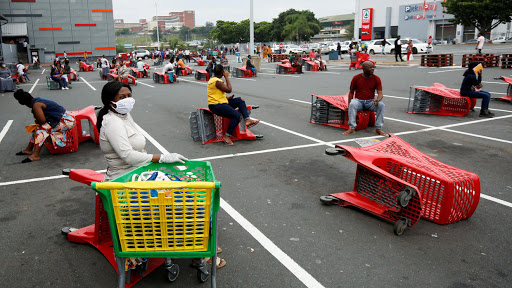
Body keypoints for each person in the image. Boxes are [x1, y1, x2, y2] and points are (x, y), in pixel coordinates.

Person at [13, 89, 76, 163]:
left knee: (41, 130)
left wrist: (38, 122)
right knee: (37, 128)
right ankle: (28, 149)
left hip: (66, 121)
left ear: (25, 103)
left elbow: (42, 120)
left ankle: (35, 155)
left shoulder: (36, 105)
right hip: (61, 118)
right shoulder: (36, 100)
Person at [207, 65, 259, 145]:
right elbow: (229, 90)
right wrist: (227, 77)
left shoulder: (214, 80)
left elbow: (216, 94)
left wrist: (227, 98)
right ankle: (227, 136)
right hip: (216, 106)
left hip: (221, 103)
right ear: (222, 72)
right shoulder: (217, 82)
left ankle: (247, 119)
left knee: (240, 100)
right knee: (237, 116)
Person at [343, 61, 387, 136]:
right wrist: (349, 105)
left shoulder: (376, 79)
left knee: (381, 105)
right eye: (370, 68)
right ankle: (352, 128)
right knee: (353, 104)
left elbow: (380, 93)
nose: (372, 69)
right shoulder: (356, 78)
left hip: (370, 102)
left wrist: (378, 100)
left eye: (373, 67)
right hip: (359, 101)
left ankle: (378, 128)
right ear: (364, 69)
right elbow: (351, 93)